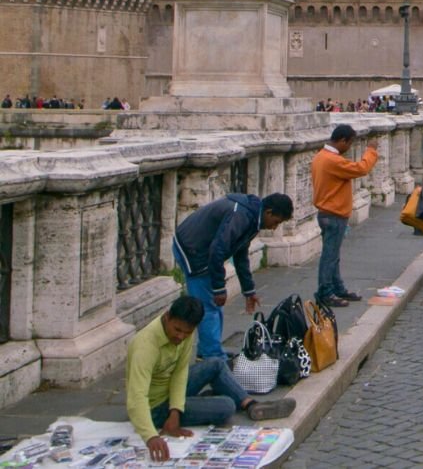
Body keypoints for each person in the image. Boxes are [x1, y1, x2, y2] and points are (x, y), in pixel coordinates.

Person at [126, 297, 294, 463]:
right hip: (154, 407)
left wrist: (176, 410)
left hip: (170, 391)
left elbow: (180, 373)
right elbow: (136, 397)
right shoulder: (145, 346)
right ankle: (210, 399)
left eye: (187, 332)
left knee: (216, 363)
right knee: (226, 406)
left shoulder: (184, 333)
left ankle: (250, 404)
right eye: (177, 330)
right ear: (166, 317)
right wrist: (151, 436)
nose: (180, 336)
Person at [172, 191, 294, 361]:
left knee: (215, 304)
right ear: (269, 212)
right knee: (209, 305)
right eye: (276, 222)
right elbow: (218, 250)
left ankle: (210, 350)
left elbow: (240, 253)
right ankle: (211, 355)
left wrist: (248, 290)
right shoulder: (242, 216)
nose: (274, 228)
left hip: (200, 247)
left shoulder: (252, 217)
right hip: (192, 248)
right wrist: (218, 288)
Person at [312, 124, 380, 306]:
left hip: (327, 212)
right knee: (330, 255)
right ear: (342, 140)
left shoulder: (320, 156)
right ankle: (325, 292)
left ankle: (337, 288)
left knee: (333, 254)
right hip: (334, 213)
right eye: (349, 144)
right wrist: (371, 151)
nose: (349, 148)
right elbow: (361, 169)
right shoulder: (333, 161)